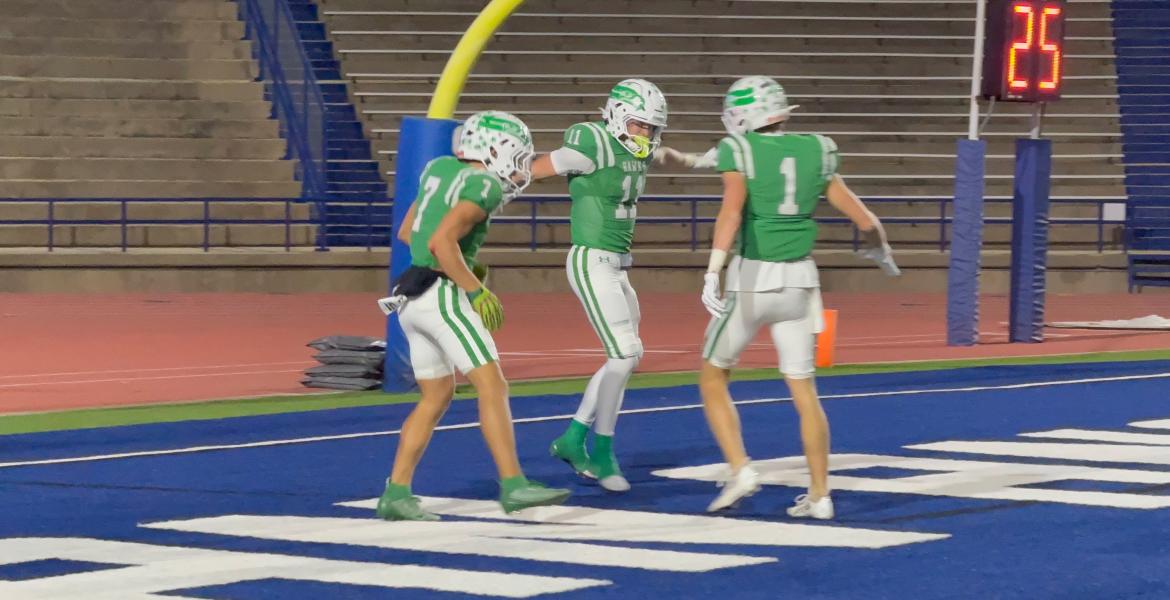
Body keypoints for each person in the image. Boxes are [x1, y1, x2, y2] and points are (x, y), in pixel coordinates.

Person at [697, 76, 899, 519]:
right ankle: (821, 494)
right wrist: (879, 249)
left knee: (713, 375)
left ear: (743, 115)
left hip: (754, 278)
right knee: (804, 391)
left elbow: (732, 210)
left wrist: (713, 270)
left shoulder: (741, 150)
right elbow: (864, 219)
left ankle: (740, 468)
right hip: (801, 283)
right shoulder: (815, 149)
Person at [375, 111, 572, 520]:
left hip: (410, 298)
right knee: (492, 385)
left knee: (437, 396)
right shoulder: (482, 184)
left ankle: (396, 492)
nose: (519, 167)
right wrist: (474, 288)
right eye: (516, 156)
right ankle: (514, 485)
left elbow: (408, 232)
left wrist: (464, 265)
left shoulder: (440, 169)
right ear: (495, 150)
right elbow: (442, 241)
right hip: (442, 297)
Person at [530, 79, 712, 492]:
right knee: (625, 353)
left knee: (626, 356)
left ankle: (574, 438)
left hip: (618, 265)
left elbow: (658, 153)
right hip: (591, 258)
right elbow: (537, 169)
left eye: (650, 128)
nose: (644, 135)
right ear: (614, 116)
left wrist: (687, 158)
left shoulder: (636, 149)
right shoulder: (590, 142)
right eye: (638, 126)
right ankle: (603, 451)